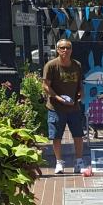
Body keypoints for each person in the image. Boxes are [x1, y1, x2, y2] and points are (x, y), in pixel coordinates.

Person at [42, 40, 86, 175]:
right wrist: (58, 98)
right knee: (56, 136)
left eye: (68, 48)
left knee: (78, 135)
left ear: (71, 50)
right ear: (57, 50)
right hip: (56, 107)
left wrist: (81, 93)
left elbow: (80, 83)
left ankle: (79, 162)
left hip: (74, 107)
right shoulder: (51, 65)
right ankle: (59, 162)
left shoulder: (76, 65)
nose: (65, 50)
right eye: (62, 48)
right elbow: (45, 86)